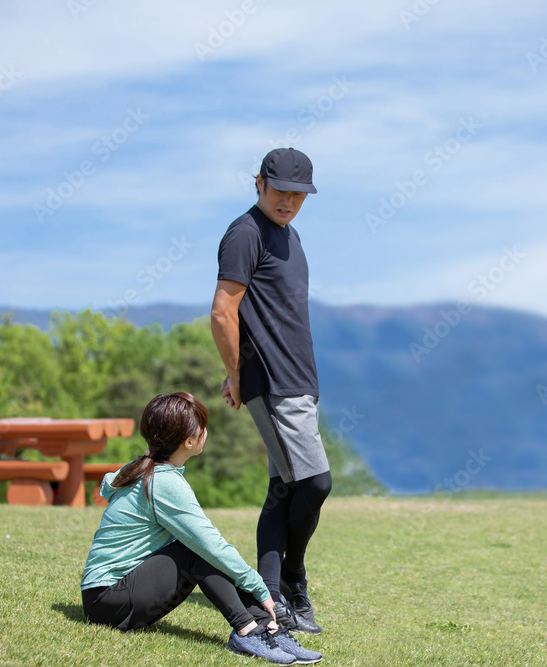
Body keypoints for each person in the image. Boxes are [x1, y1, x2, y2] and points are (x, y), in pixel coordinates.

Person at [80, 391, 322, 665]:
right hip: (107, 599)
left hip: (108, 596)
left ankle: (269, 628)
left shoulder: (143, 468)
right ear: (190, 441)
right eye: (202, 426)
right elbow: (210, 546)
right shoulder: (163, 482)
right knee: (200, 550)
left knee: (205, 550)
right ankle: (248, 630)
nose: (206, 430)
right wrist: (260, 587)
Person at [210, 147, 332, 634]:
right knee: (314, 482)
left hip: (299, 377)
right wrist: (238, 375)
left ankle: (272, 593)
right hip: (273, 381)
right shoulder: (244, 233)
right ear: (258, 182)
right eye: (281, 190)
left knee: (283, 489)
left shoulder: (290, 236)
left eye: (298, 193)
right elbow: (223, 311)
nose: (289, 200)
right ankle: (294, 583)